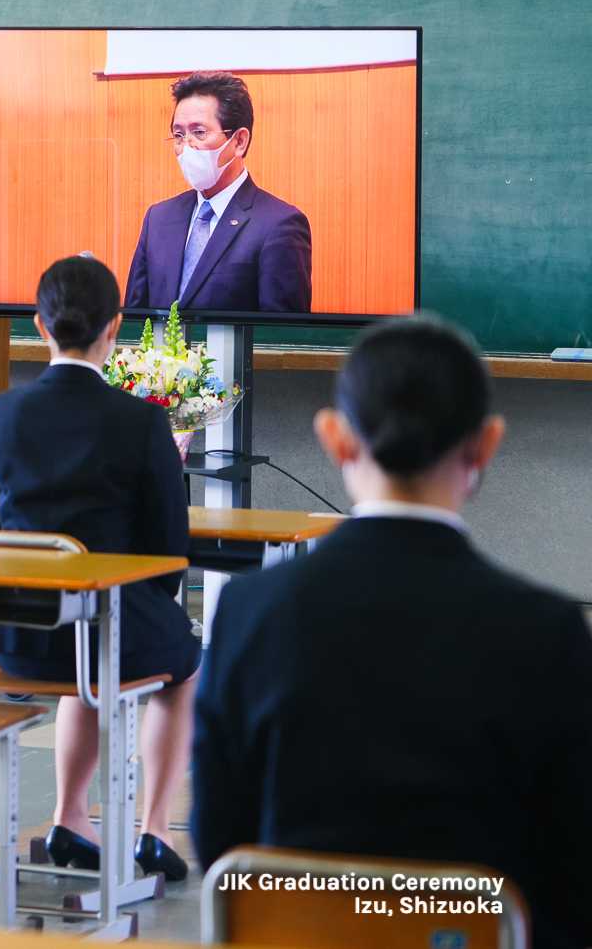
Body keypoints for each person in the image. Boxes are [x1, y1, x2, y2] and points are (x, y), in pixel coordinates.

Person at [193, 318, 592, 949]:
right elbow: (573, 881)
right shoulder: (547, 632)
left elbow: (219, 842)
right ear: (486, 444)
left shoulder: (249, 612)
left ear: (336, 437)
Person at [0, 255, 197, 881]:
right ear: (115, 328)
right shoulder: (142, 420)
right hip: (110, 634)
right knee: (181, 662)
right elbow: (168, 551)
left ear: (39, 326)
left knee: (90, 647)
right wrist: (151, 607)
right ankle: (153, 829)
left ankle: (71, 814)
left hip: (17, 643)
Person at [124, 72, 312, 314]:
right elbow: (135, 320)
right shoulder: (158, 218)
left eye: (199, 132)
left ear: (239, 141)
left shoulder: (278, 224)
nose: (186, 145)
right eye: (179, 135)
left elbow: (282, 341)